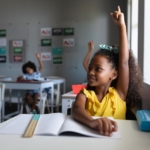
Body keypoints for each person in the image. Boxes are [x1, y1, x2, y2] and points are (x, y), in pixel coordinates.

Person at [72, 6, 143, 136]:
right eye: (90, 68)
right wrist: (91, 122)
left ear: (114, 74)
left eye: (98, 69)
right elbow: (76, 109)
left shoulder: (119, 94)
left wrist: (121, 26)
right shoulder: (85, 95)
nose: (91, 72)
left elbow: (124, 62)